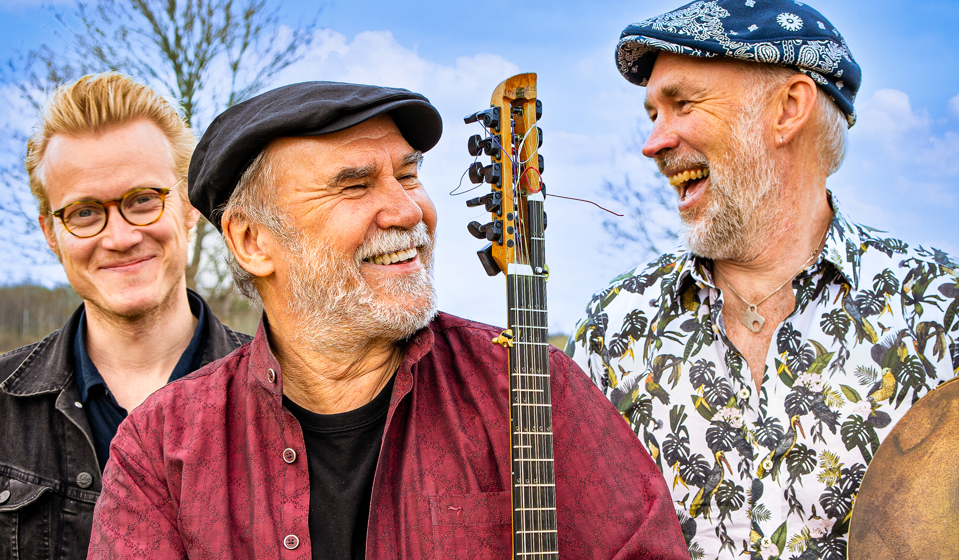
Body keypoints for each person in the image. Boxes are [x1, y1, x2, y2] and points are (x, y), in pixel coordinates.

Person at [87, 81, 690, 559]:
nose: (407, 211)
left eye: (408, 175)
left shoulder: (531, 385)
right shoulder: (161, 450)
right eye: (354, 186)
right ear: (251, 242)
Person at [566, 1, 959, 559]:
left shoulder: (941, 311)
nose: (653, 142)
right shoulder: (612, 329)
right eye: (653, 113)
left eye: (682, 104)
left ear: (788, 108)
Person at [0, 73, 250, 559]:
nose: (119, 238)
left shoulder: (285, 394)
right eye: (85, 212)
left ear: (188, 208)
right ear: (51, 234)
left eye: (143, 200)